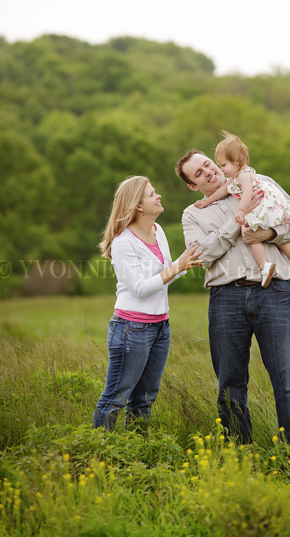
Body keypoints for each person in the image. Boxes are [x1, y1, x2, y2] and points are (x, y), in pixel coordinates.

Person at [176, 150, 290, 446]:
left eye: (208, 164)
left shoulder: (257, 182)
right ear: (192, 186)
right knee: (230, 382)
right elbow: (201, 254)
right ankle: (238, 454)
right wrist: (238, 223)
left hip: (273, 291)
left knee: (289, 378)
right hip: (225, 297)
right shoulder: (193, 213)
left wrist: (268, 233)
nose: (208, 171)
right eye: (198, 173)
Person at [92, 176, 203, 433]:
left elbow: (163, 276)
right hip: (131, 329)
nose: (158, 196)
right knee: (115, 398)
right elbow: (140, 288)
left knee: (144, 400)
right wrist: (177, 267)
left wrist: (187, 262)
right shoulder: (123, 242)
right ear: (138, 205)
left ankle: (139, 455)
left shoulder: (158, 230)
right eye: (152, 194)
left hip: (160, 327)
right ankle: (98, 453)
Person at [194, 132, 290, 287]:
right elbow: (221, 192)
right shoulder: (238, 177)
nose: (223, 169)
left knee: (248, 235)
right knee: (280, 239)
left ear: (236, 161)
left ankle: (264, 266)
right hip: (268, 208)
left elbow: (247, 192)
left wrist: (240, 211)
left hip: (260, 208)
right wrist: (206, 202)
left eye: (224, 165)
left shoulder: (242, 176)